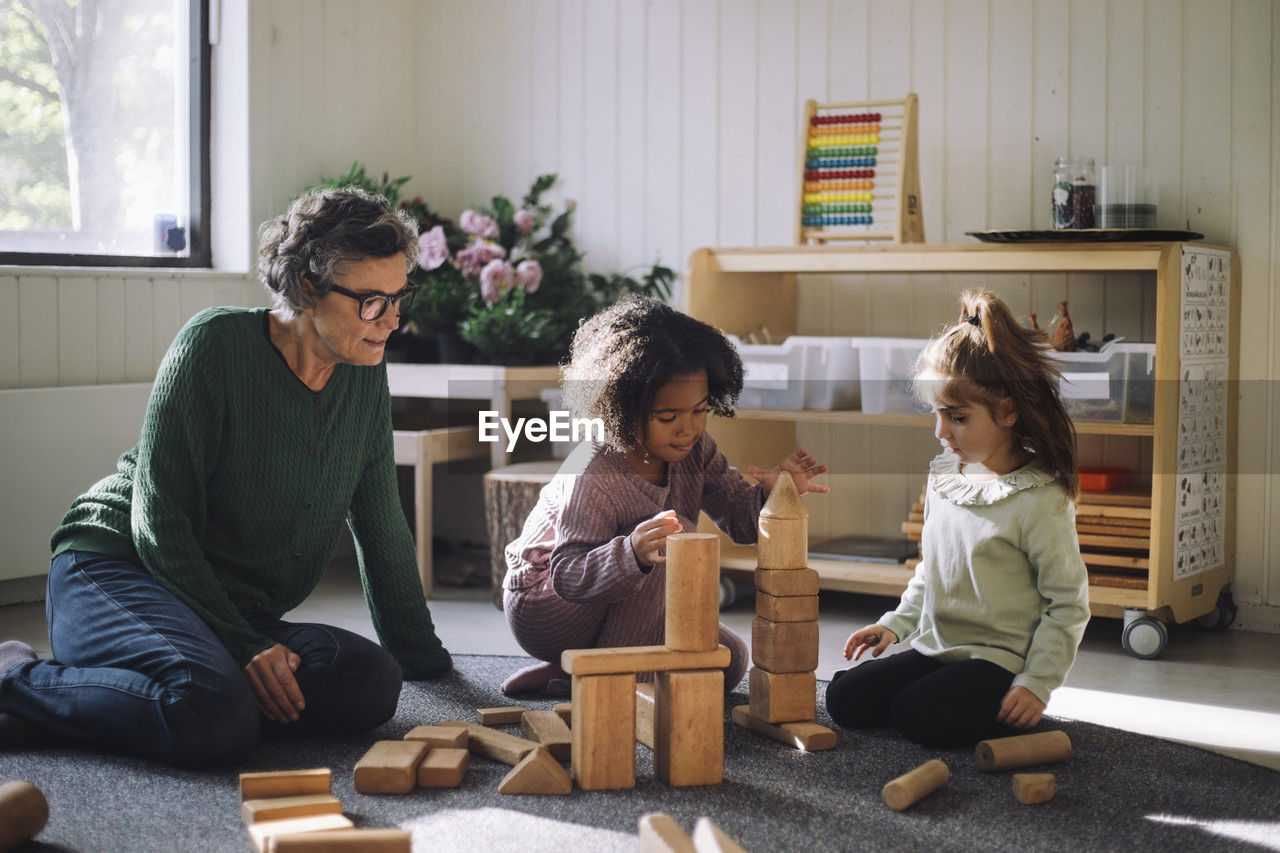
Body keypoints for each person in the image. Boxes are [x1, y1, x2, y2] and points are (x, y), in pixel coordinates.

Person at [0, 187, 452, 767]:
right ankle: (19, 675)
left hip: (224, 605)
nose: (392, 320)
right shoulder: (213, 345)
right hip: (117, 568)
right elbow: (158, 524)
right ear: (309, 288)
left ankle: (135, 704)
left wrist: (431, 668)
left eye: (398, 298)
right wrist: (244, 646)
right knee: (213, 713)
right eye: (371, 301)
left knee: (370, 681)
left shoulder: (363, 371)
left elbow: (382, 524)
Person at [500, 297, 829, 697]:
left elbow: (741, 524)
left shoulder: (697, 450)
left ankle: (578, 674)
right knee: (672, 540)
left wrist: (771, 493)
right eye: (668, 417)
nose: (687, 429)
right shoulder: (594, 467)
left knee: (728, 661)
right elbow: (567, 573)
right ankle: (618, 689)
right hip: (547, 604)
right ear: (619, 407)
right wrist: (632, 554)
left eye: (700, 409)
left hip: (619, 597)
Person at [825, 289, 1089, 748]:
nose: (940, 432)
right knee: (844, 698)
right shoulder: (946, 477)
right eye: (936, 415)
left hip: (999, 662)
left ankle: (994, 706)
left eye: (957, 417)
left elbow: (1067, 605)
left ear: (1008, 411)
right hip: (939, 650)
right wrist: (894, 624)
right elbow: (933, 568)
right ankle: (942, 700)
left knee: (917, 716)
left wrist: (1036, 683)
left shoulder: (1039, 499)